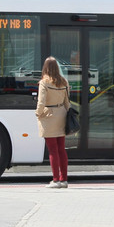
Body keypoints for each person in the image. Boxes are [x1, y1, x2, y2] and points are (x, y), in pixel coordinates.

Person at [35, 56, 71, 188]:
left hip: (49, 116)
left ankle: (55, 180)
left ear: (45, 68)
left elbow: (41, 102)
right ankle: (64, 179)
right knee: (61, 149)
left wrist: (38, 113)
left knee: (52, 150)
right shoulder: (64, 82)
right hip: (61, 115)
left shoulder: (44, 83)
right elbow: (67, 102)